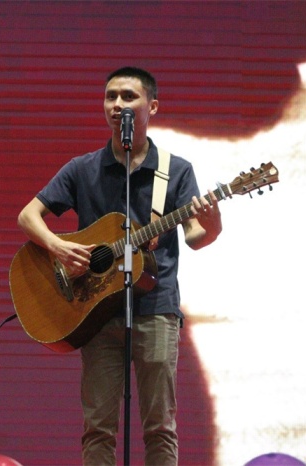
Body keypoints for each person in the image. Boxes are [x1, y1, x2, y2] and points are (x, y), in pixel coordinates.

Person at [17, 66, 223, 465]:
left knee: (160, 426)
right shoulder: (83, 168)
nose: (117, 104)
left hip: (156, 307)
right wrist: (59, 247)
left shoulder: (176, 170)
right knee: (98, 427)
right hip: (96, 310)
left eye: (129, 96)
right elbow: (28, 216)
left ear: (152, 106)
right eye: (110, 96)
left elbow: (196, 236)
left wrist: (212, 223)